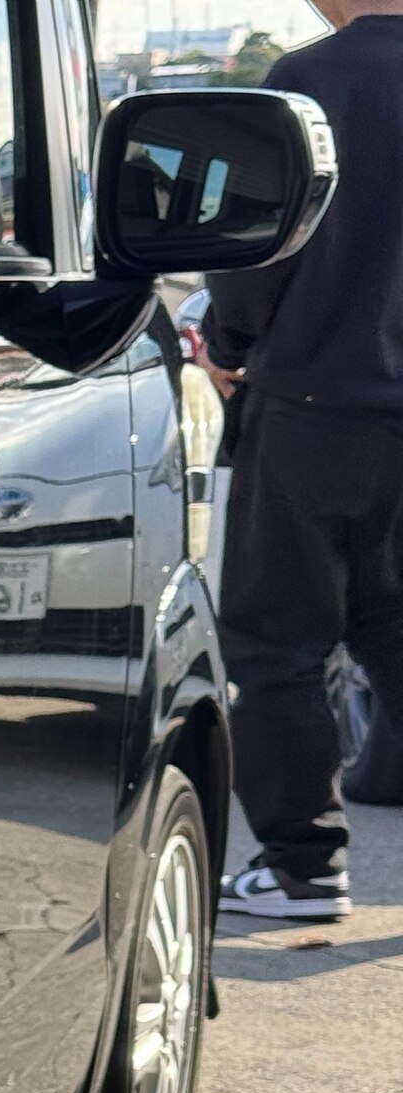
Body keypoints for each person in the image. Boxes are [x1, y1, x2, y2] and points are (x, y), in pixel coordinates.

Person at [201, 0, 403, 920]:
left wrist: (229, 343)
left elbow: (254, 248)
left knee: (278, 644)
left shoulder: (311, 81)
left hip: (317, 409)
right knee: (393, 628)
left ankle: (302, 871)